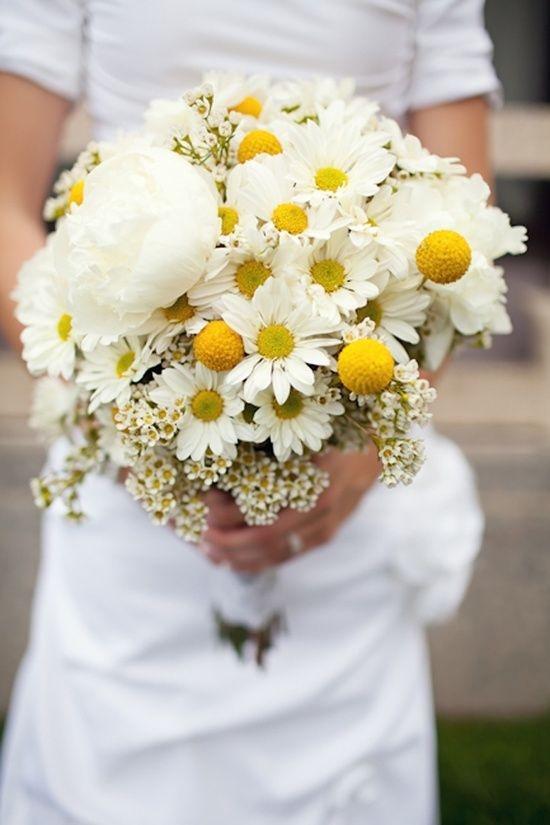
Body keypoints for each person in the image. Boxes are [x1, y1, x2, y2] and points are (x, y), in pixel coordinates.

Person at [0, 2, 498, 823]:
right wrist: (125, 406)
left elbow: (460, 237)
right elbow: (8, 209)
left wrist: (364, 454)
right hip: (132, 473)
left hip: (342, 464)